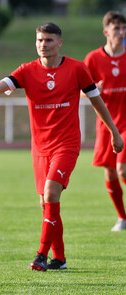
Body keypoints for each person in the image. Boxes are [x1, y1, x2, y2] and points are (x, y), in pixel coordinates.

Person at [0, 23, 124, 271]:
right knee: (46, 204)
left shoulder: (77, 69)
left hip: (66, 144)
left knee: (52, 193)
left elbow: (97, 102)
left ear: (59, 43)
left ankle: (41, 254)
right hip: (40, 148)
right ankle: (60, 258)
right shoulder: (27, 70)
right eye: (40, 40)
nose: (43, 44)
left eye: (49, 40)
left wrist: (114, 132)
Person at [84, 11, 126, 232]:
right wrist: (92, 90)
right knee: (110, 172)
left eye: (123, 28)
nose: (121, 32)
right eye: (116, 28)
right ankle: (122, 217)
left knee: (122, 169)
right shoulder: (93, 58)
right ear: (106, 31)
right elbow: (79, 89)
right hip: (106, 124)